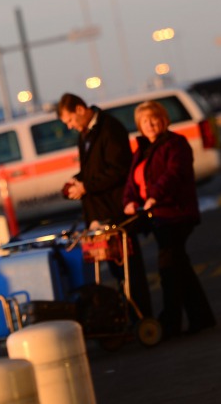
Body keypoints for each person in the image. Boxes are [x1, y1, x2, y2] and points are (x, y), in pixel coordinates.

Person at [123, 99, 216, 338]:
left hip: (175, 214)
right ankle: (201, 318)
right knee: (179, 267)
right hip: (157, 216)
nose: (151, 124)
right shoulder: (142, 149)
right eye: (145, 121)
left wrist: (154, 196)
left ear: (163, 120)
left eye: (154, 119)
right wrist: (130, 201)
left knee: (169, 268)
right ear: (139, 125)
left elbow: (174, 174)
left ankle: (170, 321)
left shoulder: (176, 144)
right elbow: (133, 182)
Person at [58, 93, 152, 320]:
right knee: (116, 270)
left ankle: (142, 316)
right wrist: (77, 182)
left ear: (80, 109)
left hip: (115, 211)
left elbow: (118, 169)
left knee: (130, 268)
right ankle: (127, 317)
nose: (71, 126)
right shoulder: (86, 134)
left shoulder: (109, 128)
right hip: (98, 212)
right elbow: (93, 169)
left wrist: (86, 186)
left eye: (70, 120)